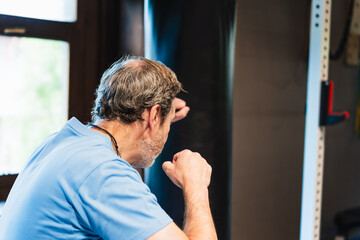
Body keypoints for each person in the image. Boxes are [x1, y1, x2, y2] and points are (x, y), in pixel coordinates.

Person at [0, 56, 217, 240]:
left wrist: (163, 116)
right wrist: (195, 185)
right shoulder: (103, 172)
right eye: (167, 121)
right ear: (153, 116)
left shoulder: (58, 143)